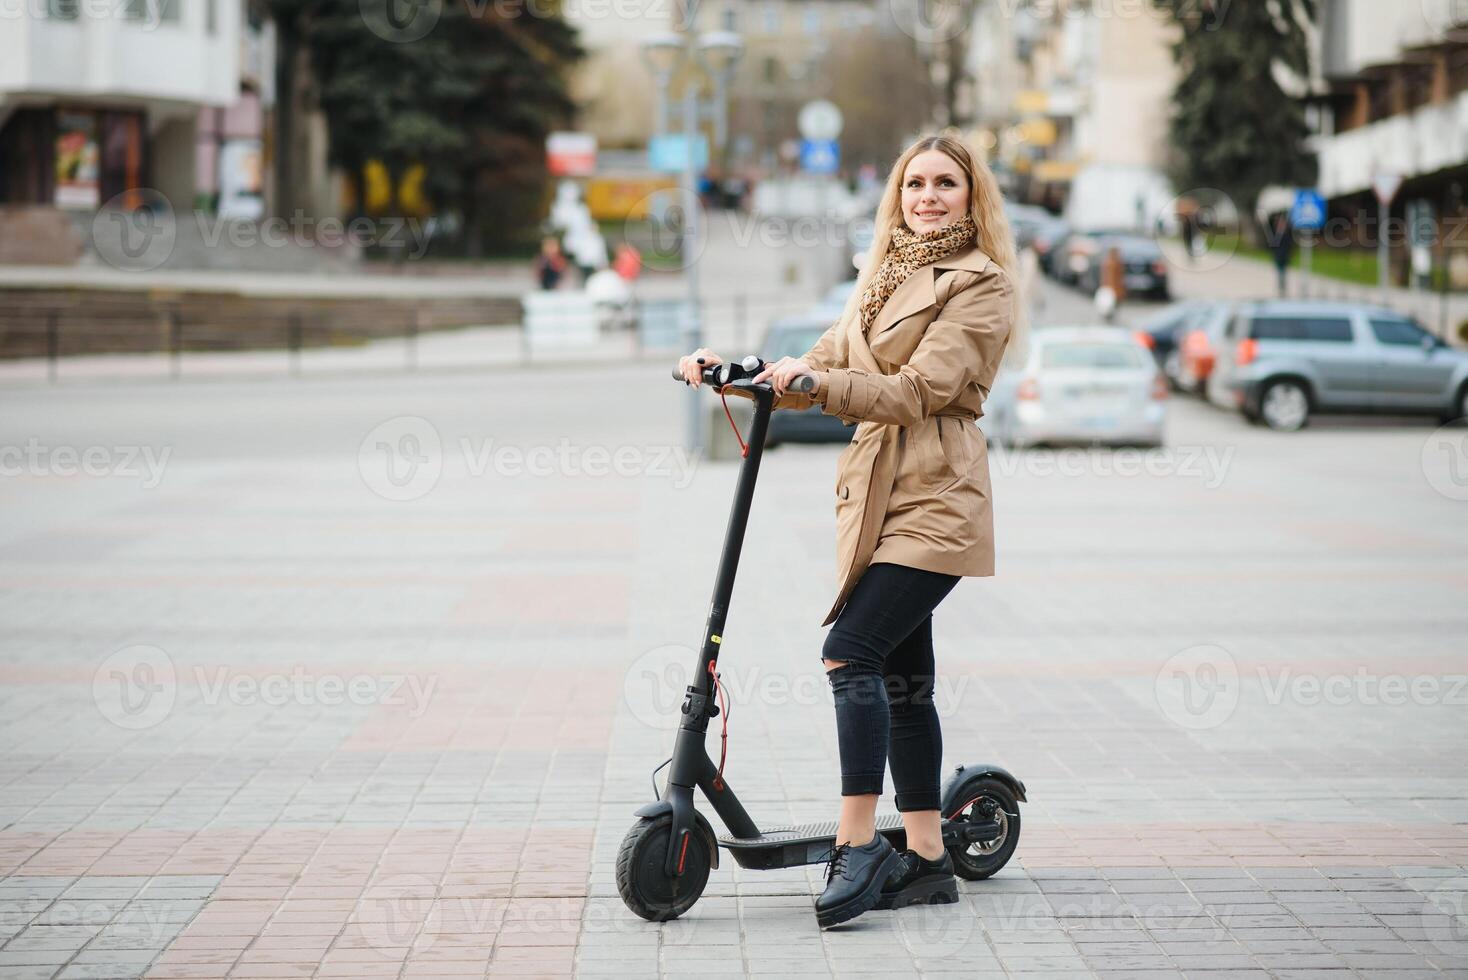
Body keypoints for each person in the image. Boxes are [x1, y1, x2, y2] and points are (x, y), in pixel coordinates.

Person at [677, 133, 1019, 928]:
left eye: (945, 183)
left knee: (849, 652)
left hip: (936, 494)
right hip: (878, 494)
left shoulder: (982, 285)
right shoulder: (879, 277)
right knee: (904, 681)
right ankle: (929, 860)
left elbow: (916, 390)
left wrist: (820, 382)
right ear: (895, 195)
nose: (927, 196)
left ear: (972, 197)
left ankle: (859, 842)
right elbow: (823, 360)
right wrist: (739, 369)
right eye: (914, 183)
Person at [1269, 212, 1294, 297]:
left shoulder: (1286, 235)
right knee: (1280, 272)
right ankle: (1281, 287)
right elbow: (1273, 246)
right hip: (1278, 256)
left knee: (1283, 272)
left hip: (1285, 256)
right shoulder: (1276, 235)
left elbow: (1289, 246)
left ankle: (1283, 287)